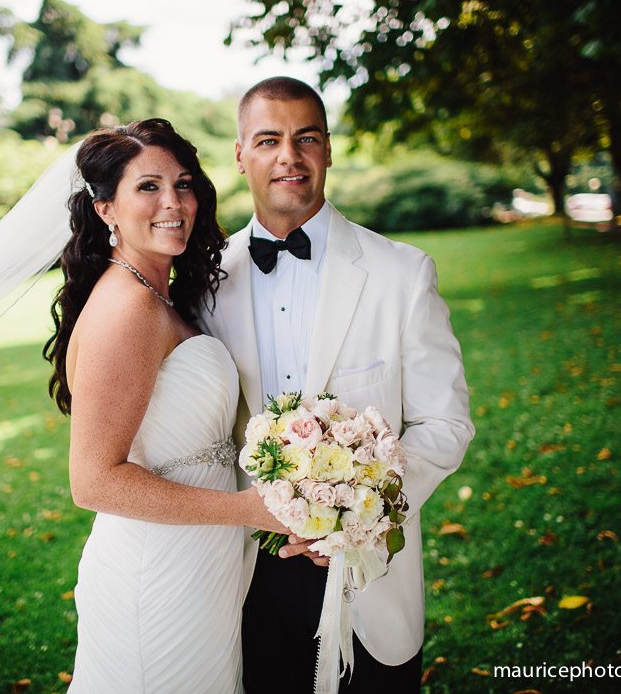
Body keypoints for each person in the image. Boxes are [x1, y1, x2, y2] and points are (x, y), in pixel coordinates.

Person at [201, 78, 475, 693]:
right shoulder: (206, 281)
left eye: (306, 138)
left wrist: (360, 513)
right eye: (268, 140)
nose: (288, 157)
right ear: (241, 154)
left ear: (328, 150)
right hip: (246, 576)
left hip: (372, 572)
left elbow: (446, 423)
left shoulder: (402, 273)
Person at [43, 118, 284, 694]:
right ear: (105, 210)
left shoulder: (158, 296)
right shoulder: (126, 309)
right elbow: (93, 483)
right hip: (158, 572)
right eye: (147, 186)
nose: (174, 202)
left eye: (183, 184)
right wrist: (250, 511)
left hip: (200, 563)